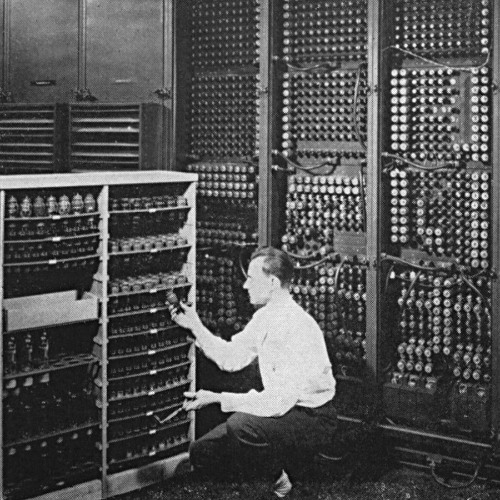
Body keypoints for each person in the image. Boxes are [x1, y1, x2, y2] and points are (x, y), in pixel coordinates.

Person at [171, 246, 337, 498]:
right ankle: (256, 484)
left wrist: (217, 398)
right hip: (283, 408)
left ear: (272, 283)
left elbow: (277, 403)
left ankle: (279, 484)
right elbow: (231, 357)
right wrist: (195, 325)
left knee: (241, 426)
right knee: (202, 451)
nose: (245, 285)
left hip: (311, 417)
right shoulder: (266, 317)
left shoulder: (296, 327)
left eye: (251, 278)